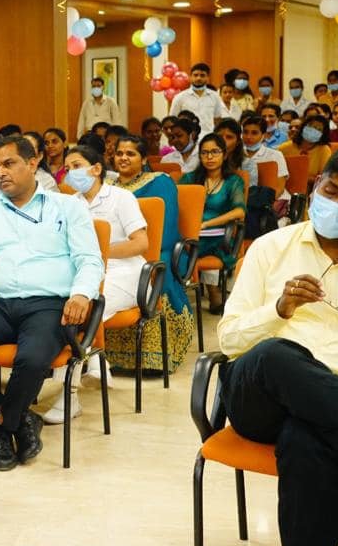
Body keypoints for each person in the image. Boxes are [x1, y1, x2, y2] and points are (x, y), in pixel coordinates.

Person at [214, 153, 338, 546]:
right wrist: (280, 309)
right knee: (277, 353)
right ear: (317, 186)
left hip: (323, 406)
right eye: (333, 192)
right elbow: (228, 339)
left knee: (305, 440)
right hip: (259, 392)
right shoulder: (271, 248)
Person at [0, 136, 103, 471]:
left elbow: (89, 259)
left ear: (33, 163)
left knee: (34, 357)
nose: (0, 173)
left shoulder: (67, 207)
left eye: (9, 164)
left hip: (48, 305)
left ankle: (1, 428)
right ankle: (14, 416)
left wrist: (81, 294)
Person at [41, 145, 147, 424]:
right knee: (64, 303)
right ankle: (95, 356)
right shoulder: (69, 203)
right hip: (87, 273)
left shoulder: (121, 198)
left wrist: (99, 252)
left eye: (77, 166)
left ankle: (69, 394)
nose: (71, 173)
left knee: (85, 307)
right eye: (68, 168)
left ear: (97, 169)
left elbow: (141, 243)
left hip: (124, 272)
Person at [105, 135, 194, 373]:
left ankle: (155, 355)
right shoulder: (107, 187)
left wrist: (135, 252)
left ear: (144, 159)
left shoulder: (160, 182)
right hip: (115, 251)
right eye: (119, 153)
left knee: (155, 266)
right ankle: (96, 353)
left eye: (130, 153)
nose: (123, 158)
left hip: (157, 247)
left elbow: (165, 228)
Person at [180, 133, 246, 313]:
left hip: (218, 235)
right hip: (190, 234)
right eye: (204, 153)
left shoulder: (233, 181)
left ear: (224, 155)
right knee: (178, 248)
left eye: (215, 152)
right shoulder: (189, 179)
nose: (209, 157)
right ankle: (183, 296)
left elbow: (239, 211)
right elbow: (178, 206)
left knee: (195, 249)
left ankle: (208, 291)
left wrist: (207, 224)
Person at [170, 63, 227, 137]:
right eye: (195, 75)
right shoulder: (180, 97)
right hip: (187, 138)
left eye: (202, 75)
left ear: (208, 77)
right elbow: (173, 120)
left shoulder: (215, 96)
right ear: (190, 77)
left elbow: (217, 120)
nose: (198, 78)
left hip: (208, 137)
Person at [280, 115, 333, 180]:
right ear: (303, 127)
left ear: (323, 135)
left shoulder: (324, 150)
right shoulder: (286, 147)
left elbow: (323, 178)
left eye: (319, 129)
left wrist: (302, 178)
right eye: (311, 126)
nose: (313, 130)